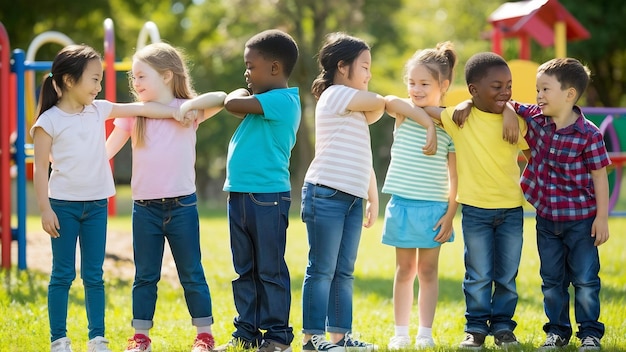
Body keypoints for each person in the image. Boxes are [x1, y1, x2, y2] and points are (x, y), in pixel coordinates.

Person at [31, 44, 188, 352]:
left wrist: (176, 112)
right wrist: (45, 209)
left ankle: (97, 338)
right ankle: (59, 339)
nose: (99, 86)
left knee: (94, 275)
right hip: (63, 206)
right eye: (94, 79)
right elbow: (39, 171)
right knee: (62, 275)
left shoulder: (99, 109)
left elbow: (141, 109)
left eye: (100, 79)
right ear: (67, 81)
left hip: (97, 205)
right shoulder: (47, 122)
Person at [300, 32, 426, 352]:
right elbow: (379, 104)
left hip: (351, 198)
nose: (369, 75)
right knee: (322, 269)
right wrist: (391, 102)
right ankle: (312, 338)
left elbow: (362, 156)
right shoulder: (335, 94)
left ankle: (340, 338)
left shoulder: (352, 109)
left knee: (343, 271)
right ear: (342, 67)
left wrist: (372, 197)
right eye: (365, 67)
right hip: (326, 194)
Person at [105, 42, 226, 352]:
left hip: (182, 207)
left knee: (191, 273)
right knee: (145, 275)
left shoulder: (190, 112)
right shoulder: (135, 116)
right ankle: (141, 338)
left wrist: (184, 108)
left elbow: (223, 99)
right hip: (144, 210)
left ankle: (204, 335)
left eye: (141, 76)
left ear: (167, 76)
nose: (135, 83)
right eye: (133, 78)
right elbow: (106, 151)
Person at [506, 58, 609, 351]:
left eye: (545, 89)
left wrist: (602, 217)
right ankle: (557, 332)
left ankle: (590, 334)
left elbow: (600, 177)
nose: (538, 96)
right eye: (537, 89)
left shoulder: (589, 134)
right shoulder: (537, 119)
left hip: (582, 221)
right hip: (547, 221)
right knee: (552, 281)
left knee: (586, 280)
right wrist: (509, 114)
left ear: (569, 94)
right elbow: (508, 103)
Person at [213, 29, 300, 352]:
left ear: (275, 68)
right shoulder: (262, 102)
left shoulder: (283, 100)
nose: (246, 73)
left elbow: (232, 103)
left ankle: (277, 335)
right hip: (240, 195)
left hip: (267, 198)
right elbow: (237, 107)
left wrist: (234, 93)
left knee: (270, 269)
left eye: (251, 66)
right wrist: (238, 95)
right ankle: (246, 333)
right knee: (245, 269)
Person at [381, 42, 458, 350]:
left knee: (427, 271)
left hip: (435, 209)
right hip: (402, 204)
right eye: (411, 82)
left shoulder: (451, 126)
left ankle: (424, 333)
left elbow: (456, 177)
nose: (416, 89)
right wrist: (426, 121)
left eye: (424, 83)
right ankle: (400, 332)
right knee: (404, 271)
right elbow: (389, 100)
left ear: (444, 85)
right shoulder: (404, 114)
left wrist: (451, 214)